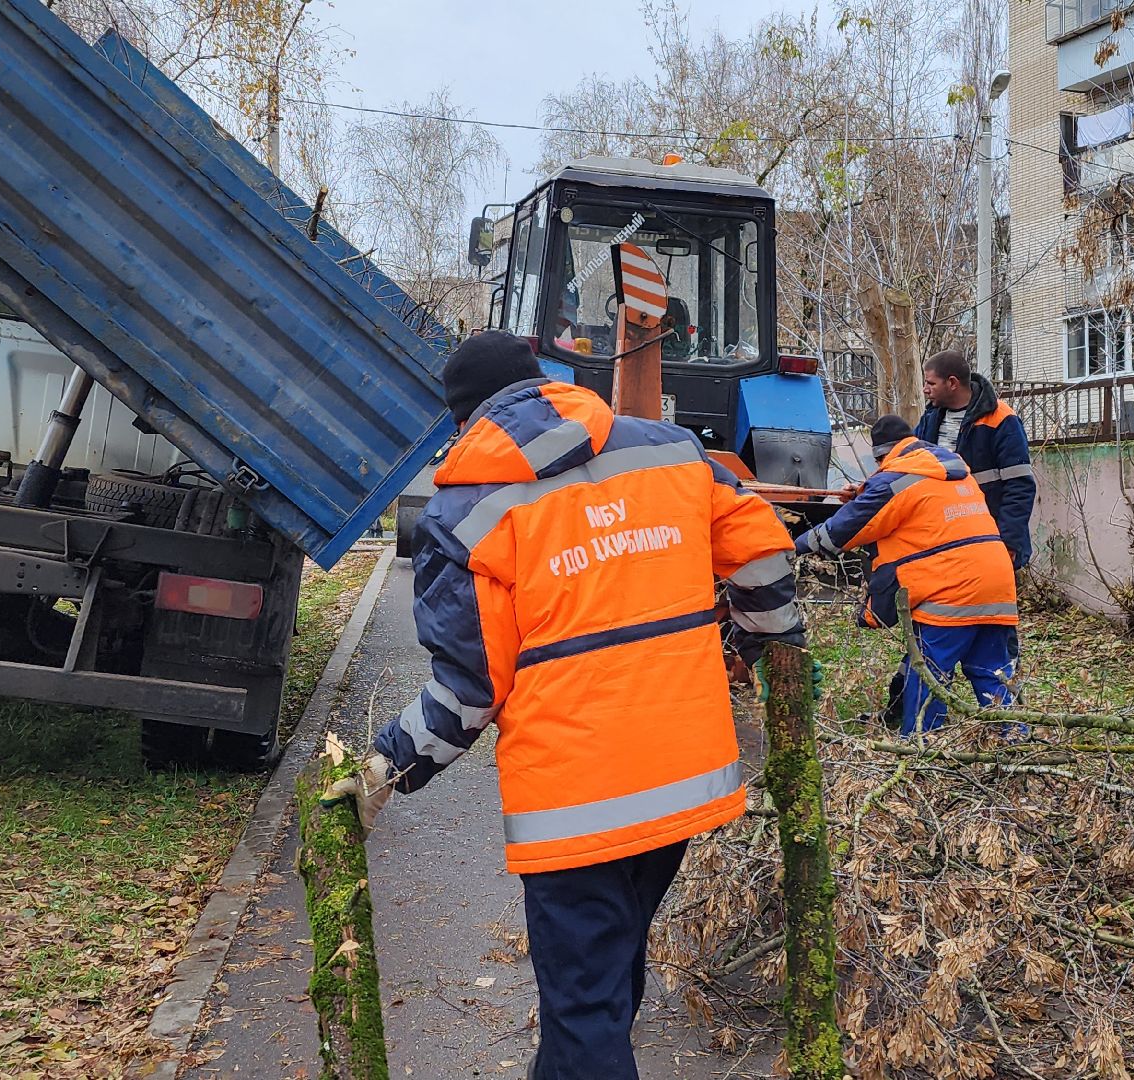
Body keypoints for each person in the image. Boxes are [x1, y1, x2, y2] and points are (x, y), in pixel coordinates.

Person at [331, 331, 806, 1080]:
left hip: (577, 806)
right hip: (684, 780)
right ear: (546, 384)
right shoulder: (671, 451)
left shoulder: (469, 510)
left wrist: (386, 768)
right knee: (606, 977)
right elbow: (763, 555)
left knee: (586, 1006)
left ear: (465, 422)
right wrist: (759, 647)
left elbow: (468, 690)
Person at [797, 415, 1018, 736]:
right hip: (998, 584)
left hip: (951, 591)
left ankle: (921, 751)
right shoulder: (951, 470)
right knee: (991, 672)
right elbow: (917, 505)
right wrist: (865, 491)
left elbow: (840, 531)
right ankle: (1014, 746)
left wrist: (793, 545)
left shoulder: (894, 482)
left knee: (929, 674)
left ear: (881, 456)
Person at [915, 349, 1037, 570]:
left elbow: (1020, 487)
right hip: (943, 540)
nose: (925, 390)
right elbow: (907, 467)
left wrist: (1006, 545)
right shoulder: (930, 417)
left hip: (986, 540)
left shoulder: (1001, 419)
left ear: (952, 383)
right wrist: (864, 490)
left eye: (930, 383)